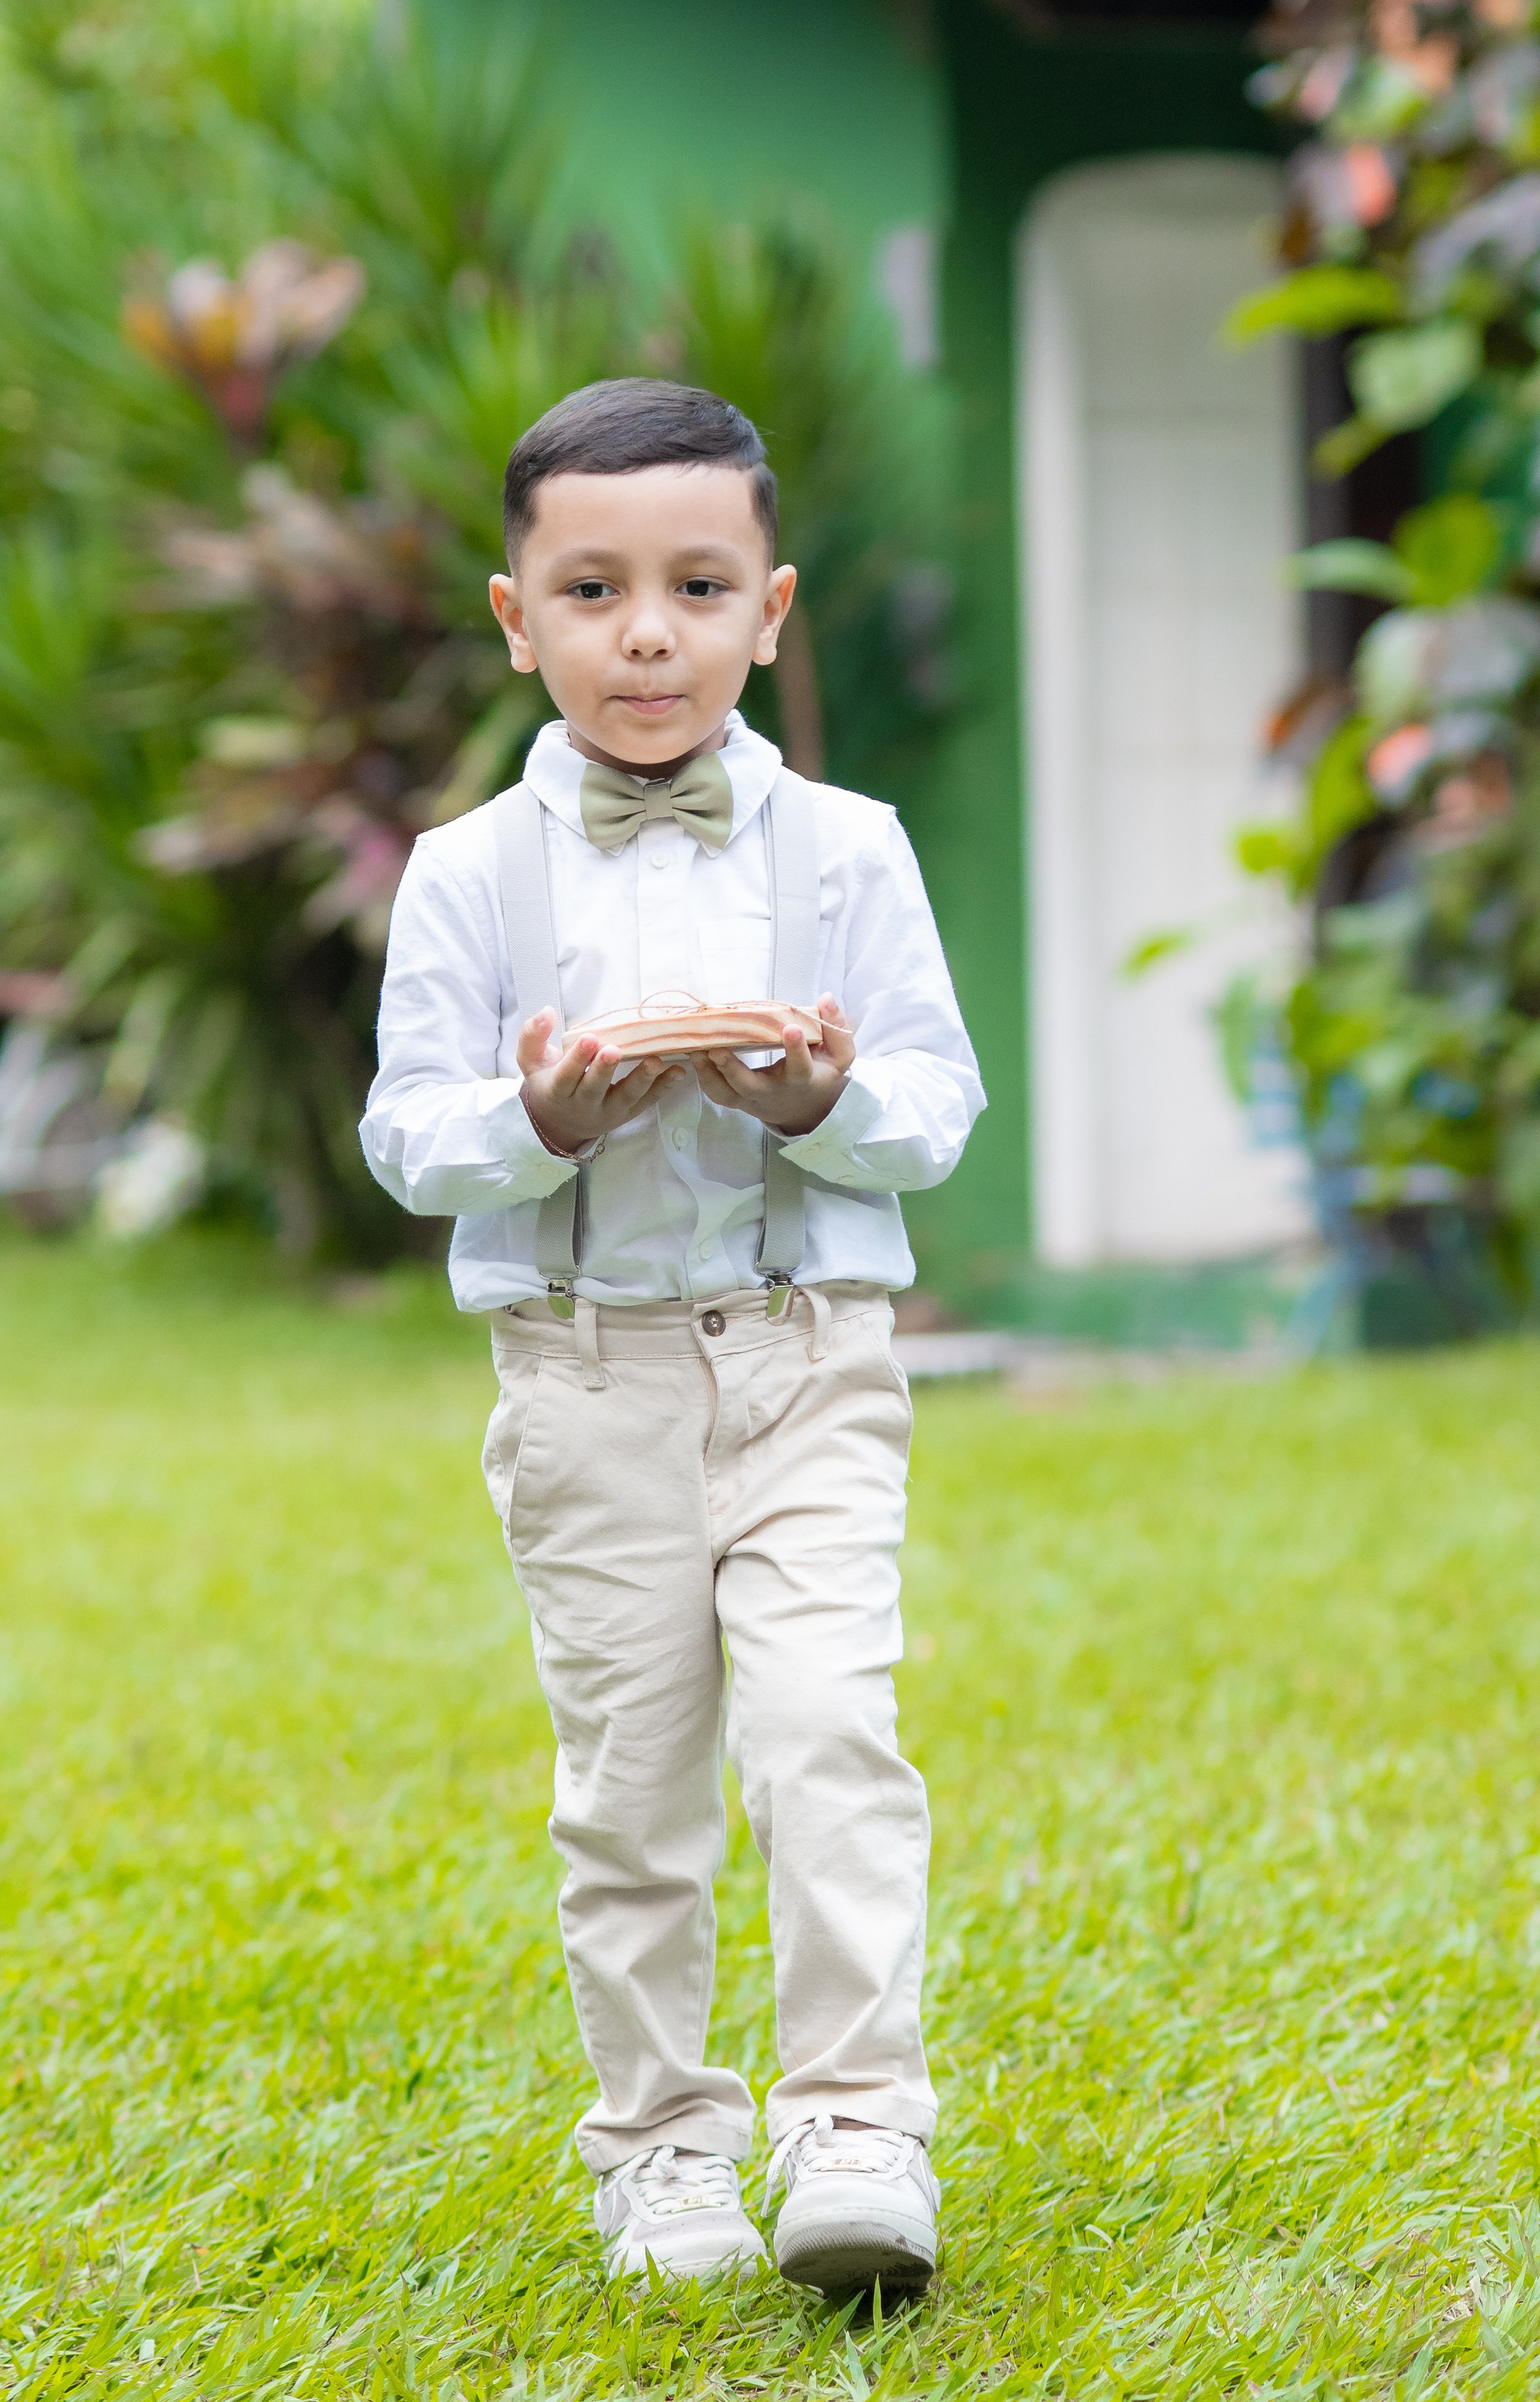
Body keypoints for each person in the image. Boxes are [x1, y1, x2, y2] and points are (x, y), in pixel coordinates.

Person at [360, 378, 984, 2294]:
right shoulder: (472, 873)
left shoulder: (851, 850)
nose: (650, 633)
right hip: (587, 1373)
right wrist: (541, 1120)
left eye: (699, 588)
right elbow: (409, 1136)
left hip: (810, 1356)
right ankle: (661, 2148)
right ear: (517, 615)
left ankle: (857, 2130)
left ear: (769, 611)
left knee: (828, 1734)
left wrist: (812, 1099)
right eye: (598, 590)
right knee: (631, 1782)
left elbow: (938, 1109)